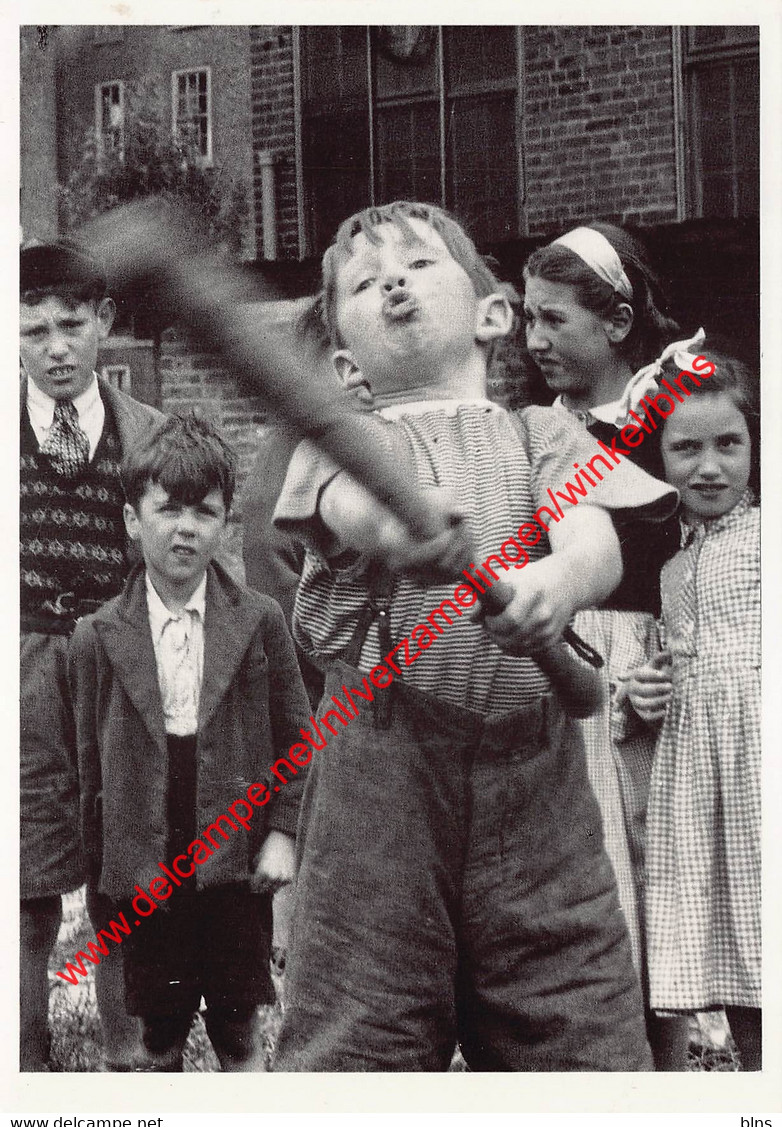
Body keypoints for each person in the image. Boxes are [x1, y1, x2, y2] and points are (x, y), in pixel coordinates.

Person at [270, 201, 678, 1072]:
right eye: (365, 281)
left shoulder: (544, 431)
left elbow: (595, 540)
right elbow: (345, 506)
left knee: (572, 1013)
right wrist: (392, 535)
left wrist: (553, 584)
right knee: (359, 1022)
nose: (392, 283)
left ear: (493, 313)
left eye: (417, 265)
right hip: (383, 775)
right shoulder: (350, 435)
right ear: (344, 362)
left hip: (537, 776)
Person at [68, 414, 311, 1071]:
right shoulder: (95, 637)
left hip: (233, 848)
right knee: (159, 1033)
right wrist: (103, 877)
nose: (185, 528)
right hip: (147, 851)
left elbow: (297, 739)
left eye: (204, 512)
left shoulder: (260, 622)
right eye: (167, 509)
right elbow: (90, 770)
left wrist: (283, 833)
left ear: (226, 521)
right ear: (130, 519)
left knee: (237, 1024)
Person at [521, 222, 695, 1069]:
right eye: (527, 319)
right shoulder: (533, 434)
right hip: (566, 670)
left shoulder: (670, 409)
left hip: (657, 671)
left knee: (658, 874)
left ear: (618, 322)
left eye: (555, 319)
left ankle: (663, 1067)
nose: (535, 339)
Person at [20, 240, 163, 1071]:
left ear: (105, 321)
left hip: (120, 673)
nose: (57, 348)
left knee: (124, 875)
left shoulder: (150, 437)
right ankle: (25, 1065)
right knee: (27, 883)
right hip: (24, 675)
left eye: (72, 325)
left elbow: (202, 571)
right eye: (33, 331)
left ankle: (129, 1059)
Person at [625, 352, 761, 1070]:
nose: (708, 466)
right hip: (698, 775)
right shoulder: (672, 567)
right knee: (736, 935)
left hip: (760, 767)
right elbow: (665, 662)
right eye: (686, 447)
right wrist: (642, 690)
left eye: (728, 444)